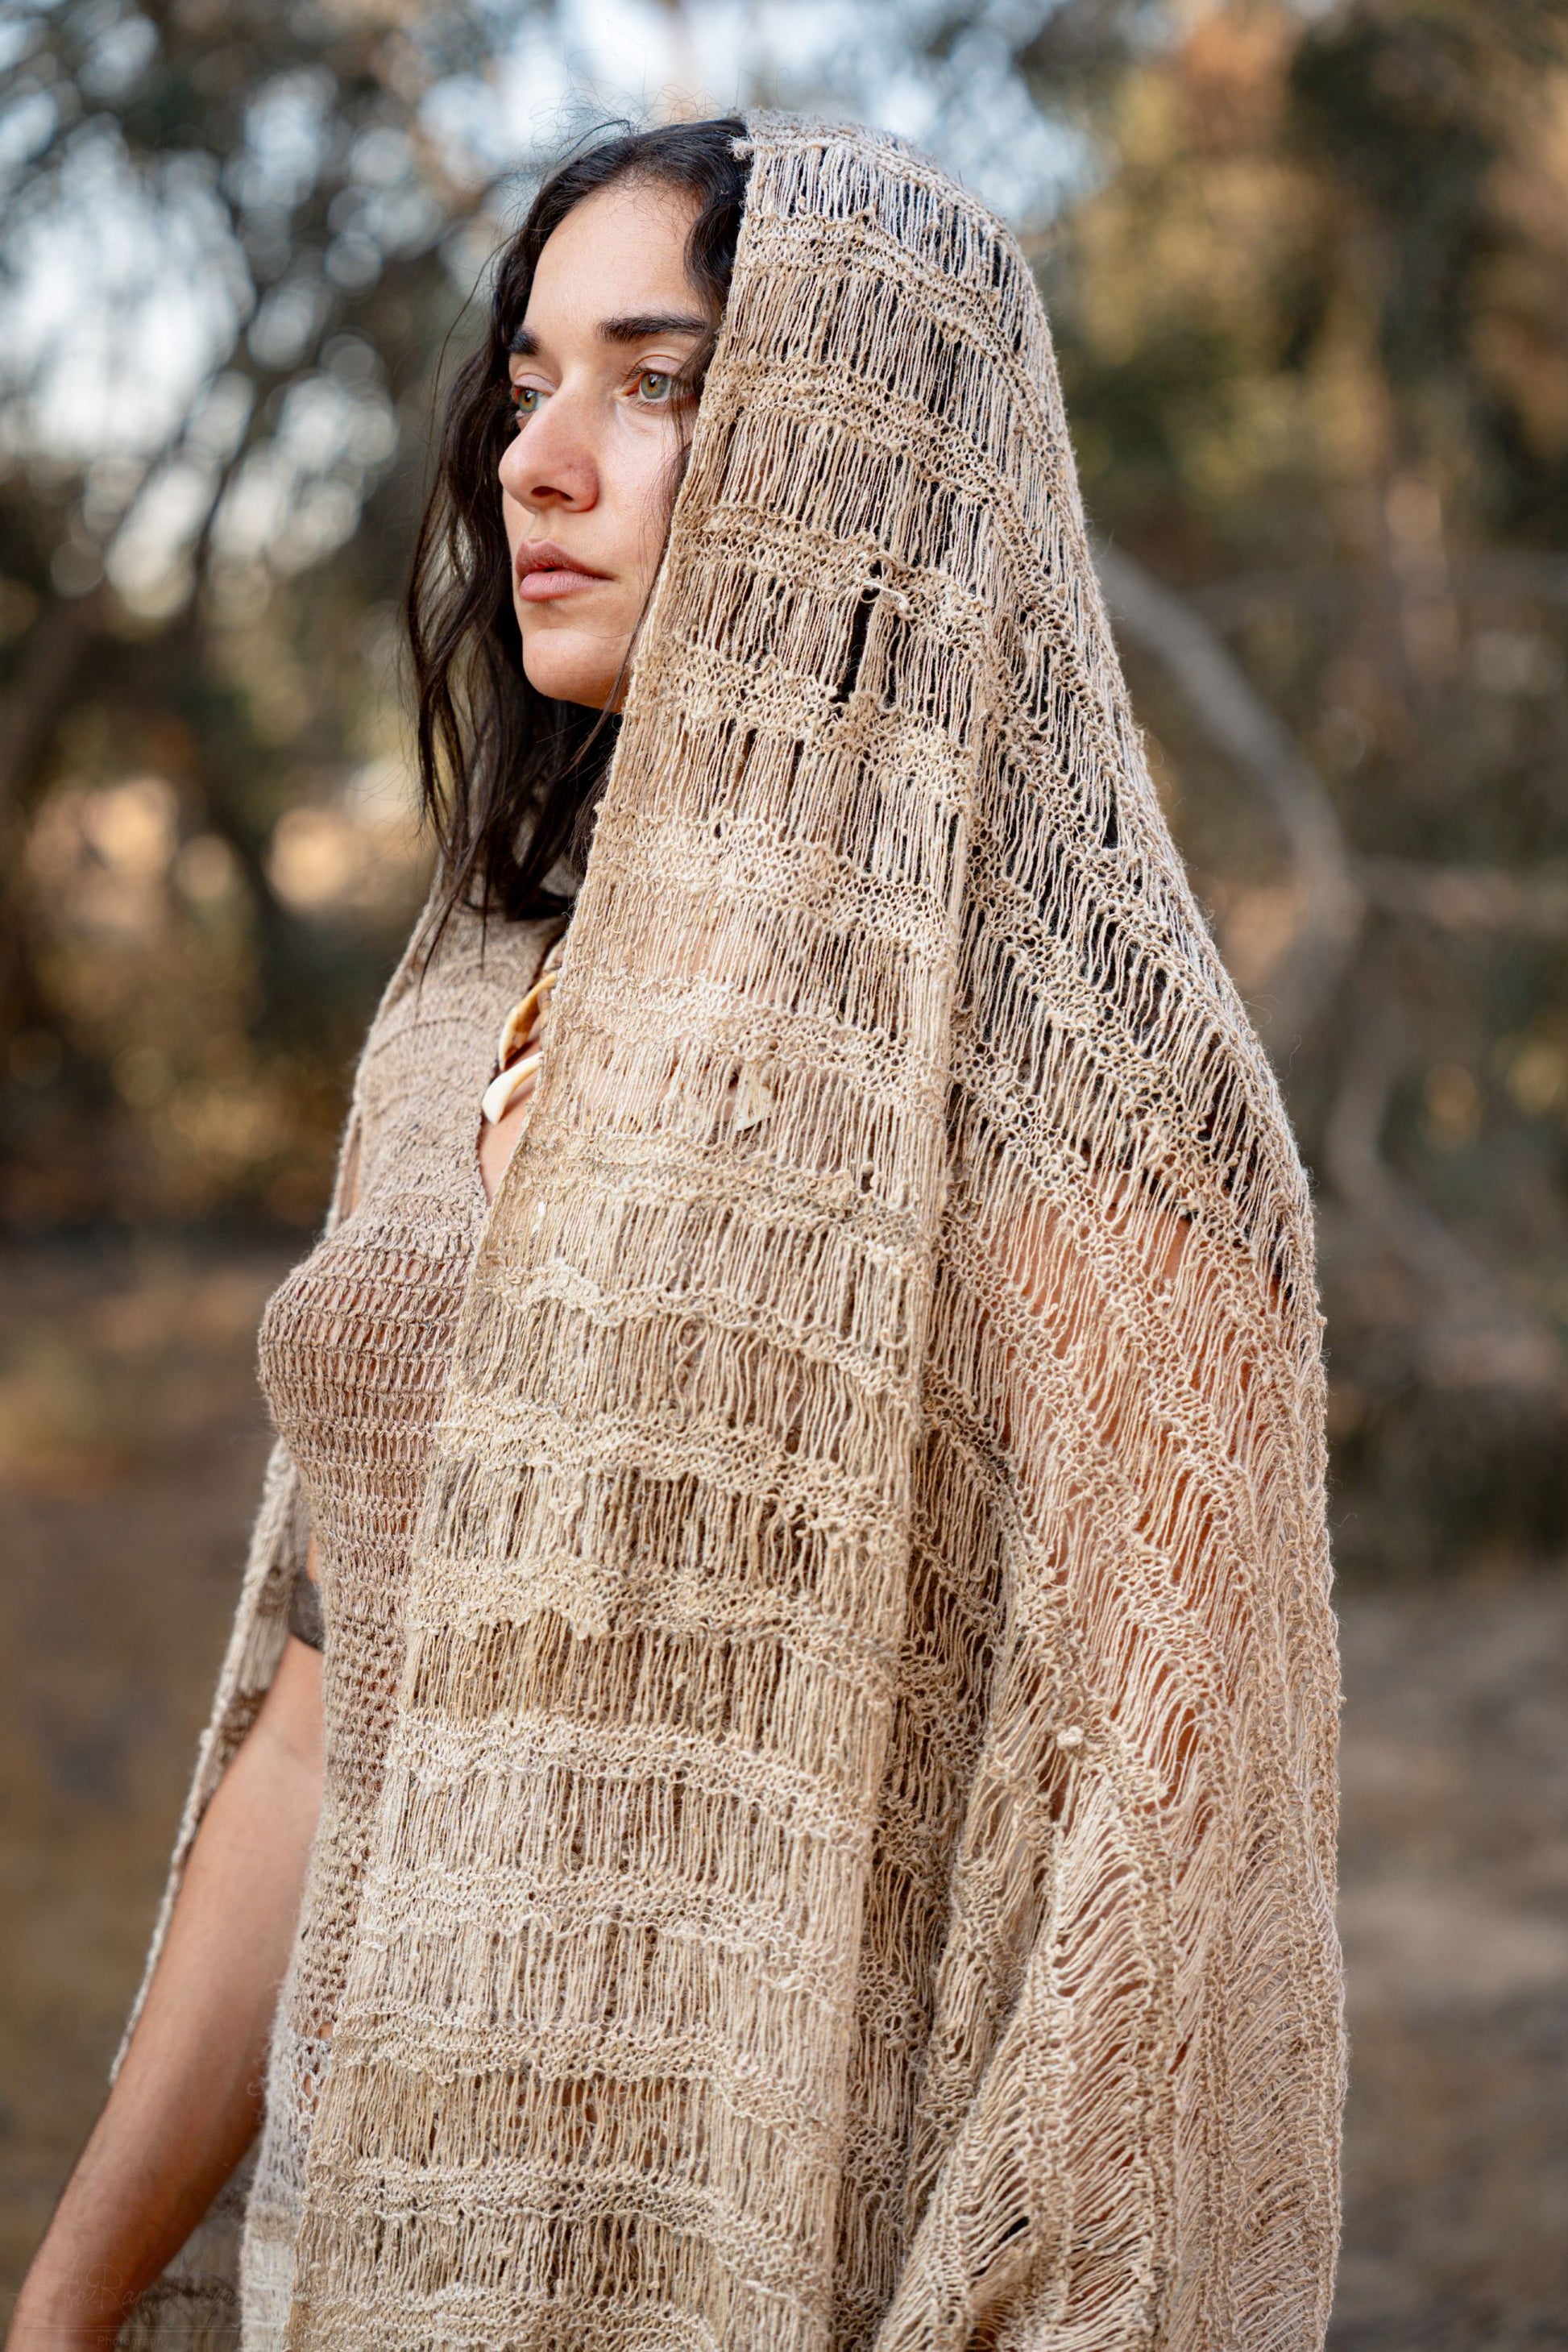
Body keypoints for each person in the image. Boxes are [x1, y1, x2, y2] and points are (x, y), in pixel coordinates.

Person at [9, 112, 1345, 2352]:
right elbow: (340, 1724)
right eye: (528, 381)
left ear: (864, 461)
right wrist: (62, 2306)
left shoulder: (1088, 1102)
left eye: (661, 382)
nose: (540, 459)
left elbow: (1158, 1945)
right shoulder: (460, 1002)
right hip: (382, 2266)